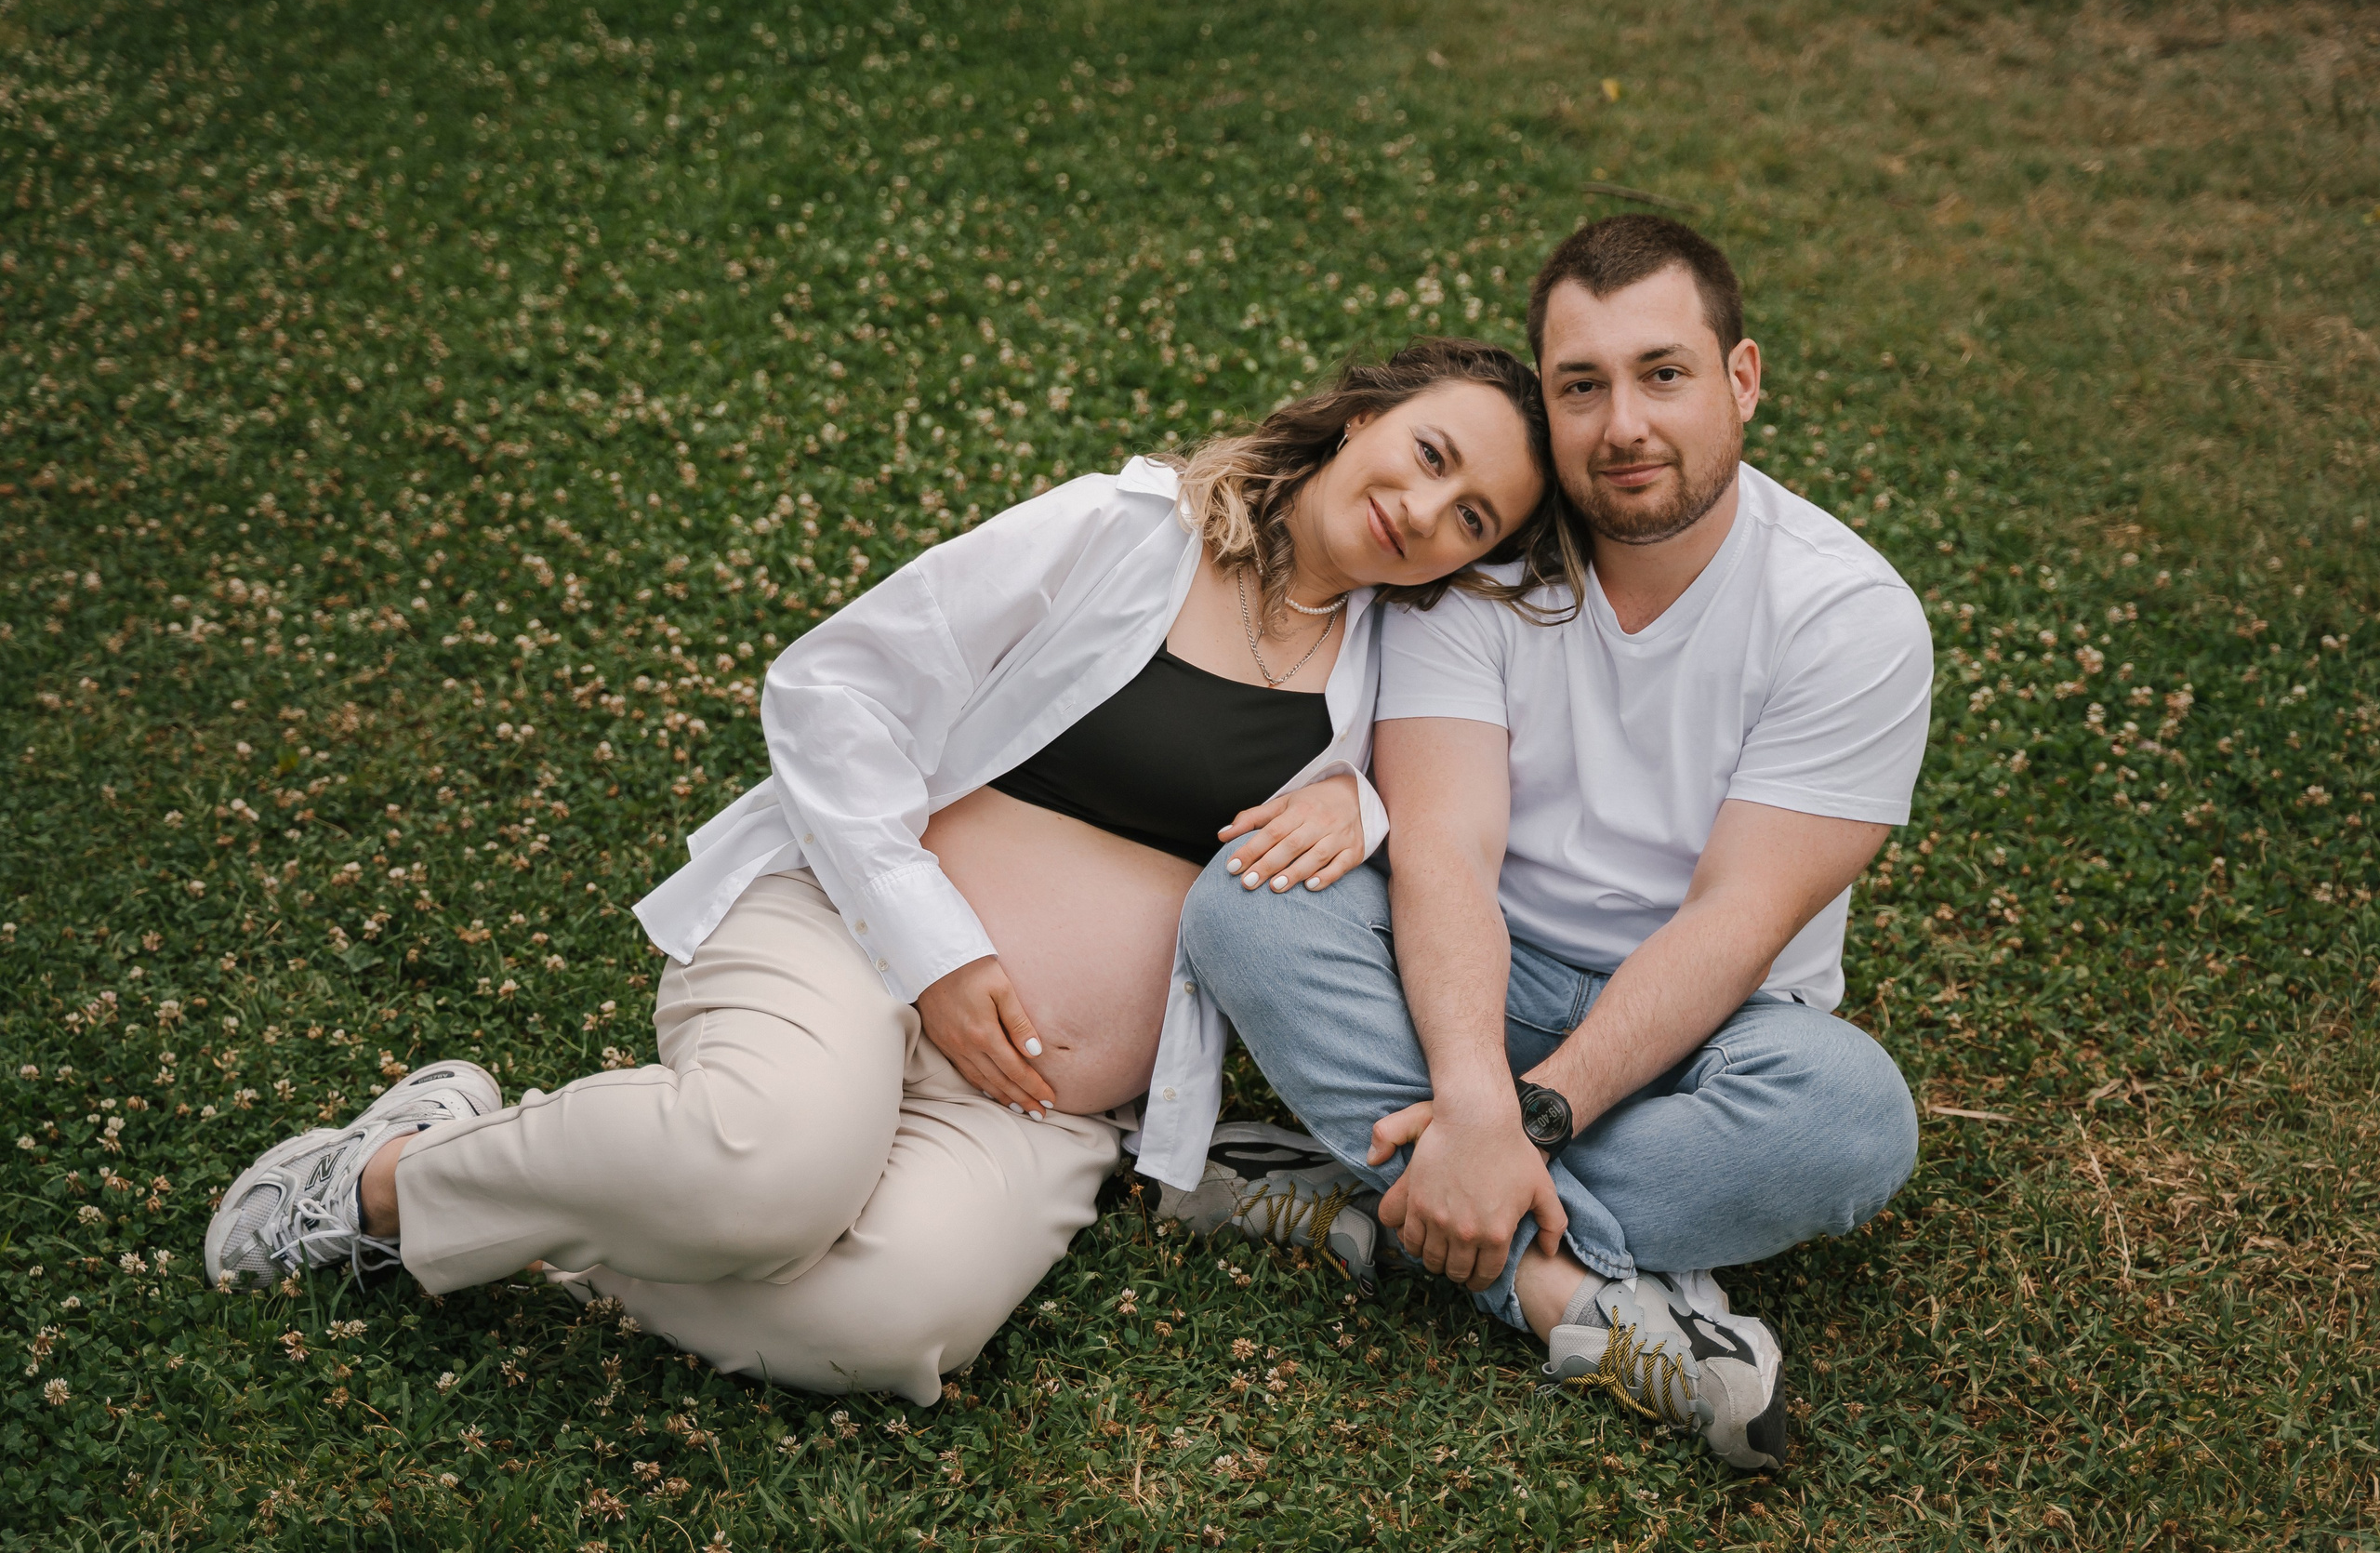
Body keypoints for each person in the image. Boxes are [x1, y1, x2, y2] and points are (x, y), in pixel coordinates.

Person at [204, 338, 1557, 1403]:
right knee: (766, 1178)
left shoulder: (1398, 675)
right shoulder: (1122, 532)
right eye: (1429, 453)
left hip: (1035, 1107)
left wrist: (1363, 809)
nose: (1425, 507)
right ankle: (392, 1182)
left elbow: (1439, 818)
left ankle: (582, 1196)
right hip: (857, 949)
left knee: (888, 1327)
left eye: (1472, 515)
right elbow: (829, 690)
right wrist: (940, 953)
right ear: (1362, 413)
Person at [1181, 217, 1934, 1471]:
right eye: (1582, 387)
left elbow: (1736, 923)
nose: (1624, 425)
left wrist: (1519, 1127)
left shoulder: (1849, 618)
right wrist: (1473, 1092)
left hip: (1713, 1028)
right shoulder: (1479, 570)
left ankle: (1373, 1202)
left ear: (1741, 380)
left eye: (1664, 374)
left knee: (1851, 1118)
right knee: (1246, 902)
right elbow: (1447, 856)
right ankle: (1577, 1304)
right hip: (1478, 973)